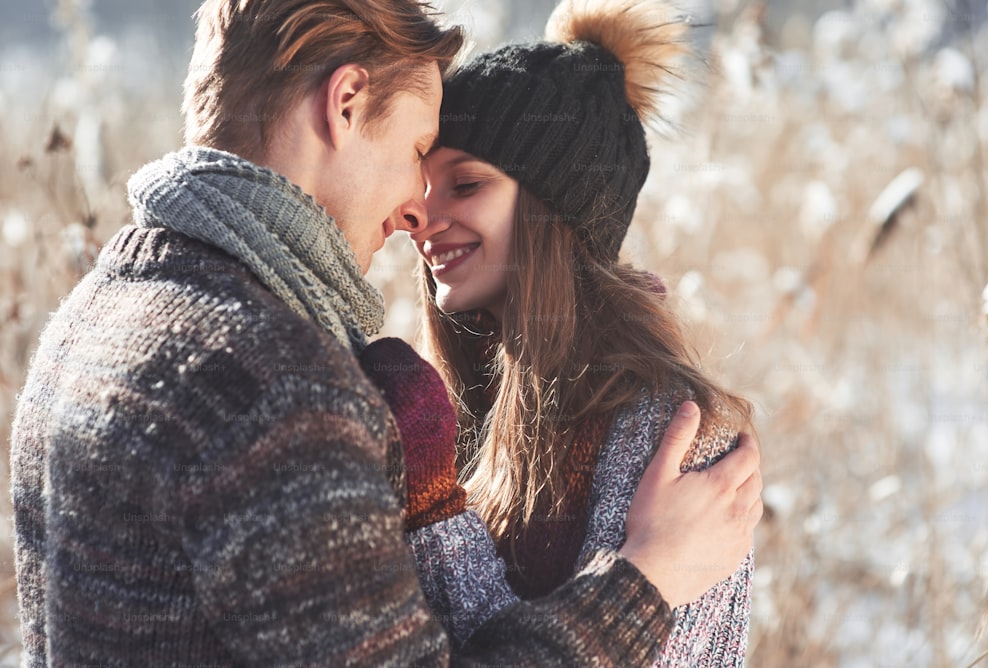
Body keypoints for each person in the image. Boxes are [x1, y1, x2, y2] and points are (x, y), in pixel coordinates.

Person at [8, 0, 760, 665]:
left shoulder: (89, 322)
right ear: (344, 104)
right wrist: (646, 580)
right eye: (414, 154)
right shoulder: (277, 392)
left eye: (461, 182)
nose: (412, 211)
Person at [403, 0, 762, 664]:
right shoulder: (473, 400)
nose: (422, 218)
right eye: (425, 188)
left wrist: (433, 515)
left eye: (466, 184)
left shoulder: (673, 432)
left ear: (553, 209)